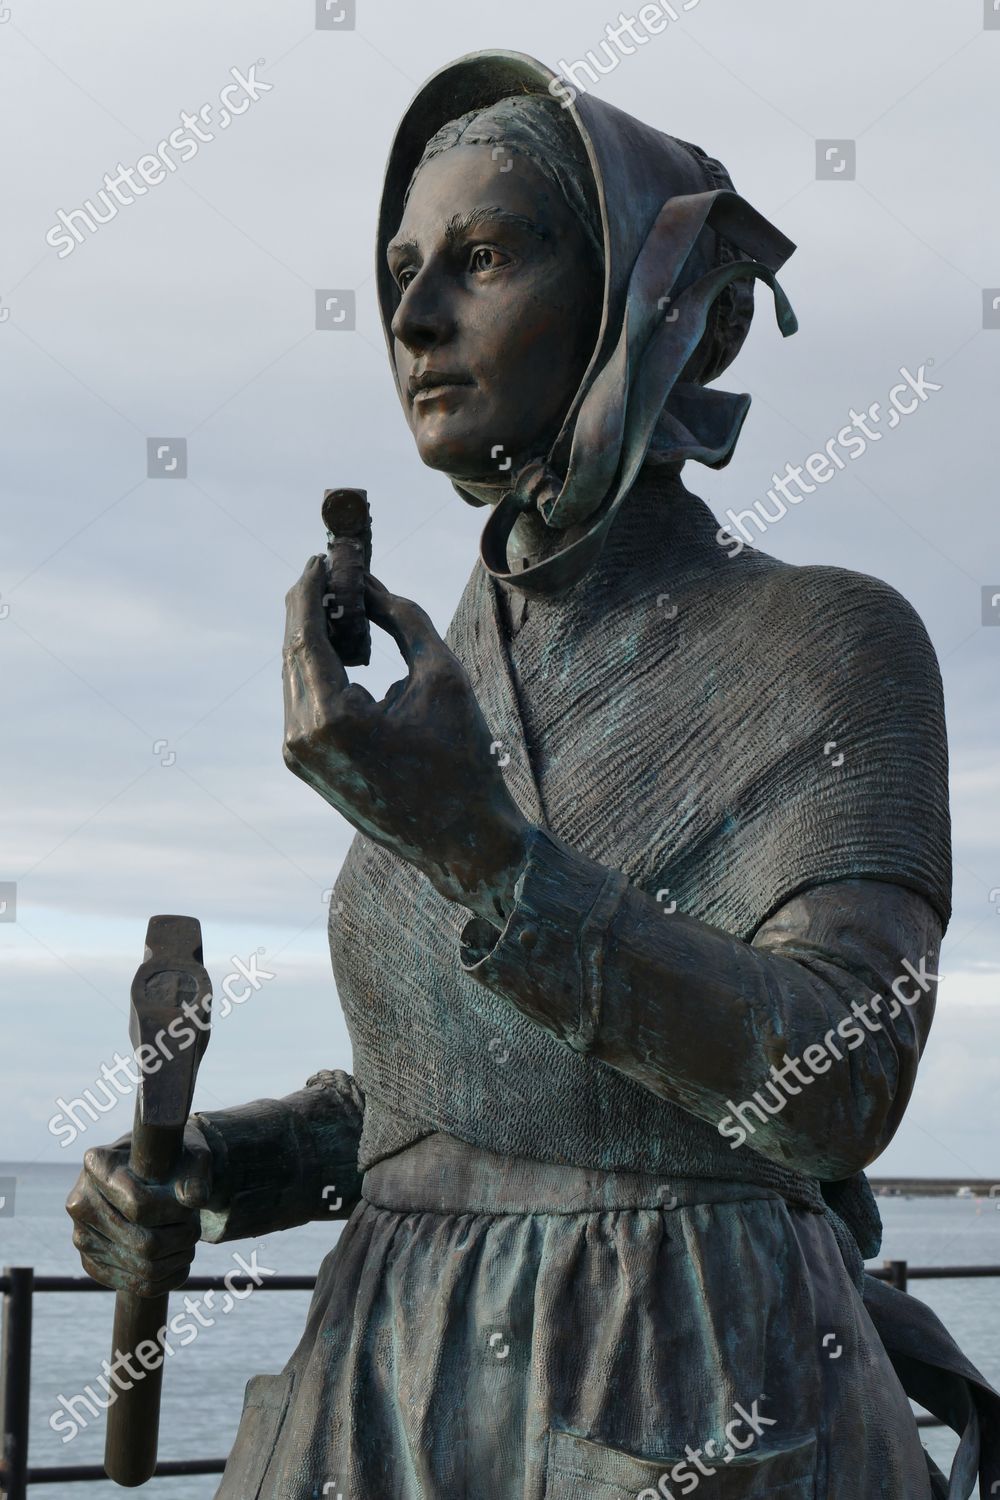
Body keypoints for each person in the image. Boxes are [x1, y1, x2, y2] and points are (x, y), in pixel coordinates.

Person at [68, 50, 999, 1499]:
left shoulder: (829, 639)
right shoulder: (457, 670)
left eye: (484, 258)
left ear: (647, 297)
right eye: (400, 272)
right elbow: (449, 1096)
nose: (414, 316)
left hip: (689, 1385)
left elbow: (842, 1080)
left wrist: (488, 859)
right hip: (380, 1399)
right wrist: (221, 1169)